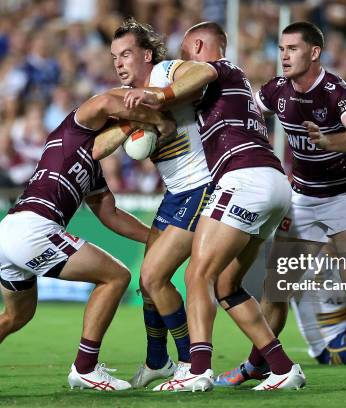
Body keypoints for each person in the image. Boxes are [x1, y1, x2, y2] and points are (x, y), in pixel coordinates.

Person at [0, 88, 175, 391]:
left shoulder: (92, 170)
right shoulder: (74, 128)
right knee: (116, 277)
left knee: (15, 316)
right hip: (34, 228)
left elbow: (111, 215)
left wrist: (157, 238)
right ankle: (85, 368)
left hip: (9, 231)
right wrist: (155, 120)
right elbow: (109, 102)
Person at [124, 21, 304, 392]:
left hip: (244, 178)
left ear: (200, 45)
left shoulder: (220, 68)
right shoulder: (230, 86)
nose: (183, 62)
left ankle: (197, 369)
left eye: (187, 53)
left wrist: (158, 96)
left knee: (196, 276)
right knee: (226, 284)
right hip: (273, 183)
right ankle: (284, 368)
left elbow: (200, 72)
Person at [215, 21, 346, 389]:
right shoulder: (277, 90)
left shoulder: (334, 92)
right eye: (281, 48)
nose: (284, 55)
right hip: (303, 199)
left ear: (314, 52)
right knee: (276, 289)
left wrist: (330, 140)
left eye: (292, 48)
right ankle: (256, 364)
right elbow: (246, 111)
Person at [109, 18, 215, 388]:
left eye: (126, 54)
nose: (119, 63)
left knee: (155, 276)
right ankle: (158, 361)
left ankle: (190, 362)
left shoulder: (164, 72)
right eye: (115, 58)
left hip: (201, 186)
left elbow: (204, 71)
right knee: (147, 281)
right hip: (174, 193)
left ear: (147, 54)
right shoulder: (125, 98)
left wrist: (159, 97)